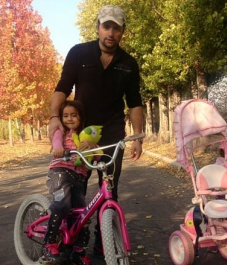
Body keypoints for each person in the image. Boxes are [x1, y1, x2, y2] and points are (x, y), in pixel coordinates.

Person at [48, 4, 143, 258]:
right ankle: (68, 239)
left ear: (123, 31)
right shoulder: (79, 53)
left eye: (117, 28)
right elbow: (62, 88)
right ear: (98, 27)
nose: (111, 33)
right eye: (106, 26)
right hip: (80, 133)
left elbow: (134, 102)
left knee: (110, 186)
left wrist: (138, 136)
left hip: (112, 133)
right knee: (76, 189)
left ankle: (105, 243)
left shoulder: (129, 64)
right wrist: (54, 117)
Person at [43, 100, 94, 265]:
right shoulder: (61, 131)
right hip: (59, 173)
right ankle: (49, 242)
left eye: (74, 115)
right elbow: (56, 141)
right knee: (61, 204)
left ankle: (78, 251)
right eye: (65, 115)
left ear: (81, 117)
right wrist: (57, 148)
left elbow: (96, 153)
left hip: (79, 177)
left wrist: (92, 147)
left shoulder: (85, 135)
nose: (69, 118)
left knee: (81, 215)